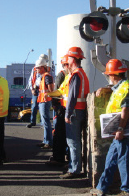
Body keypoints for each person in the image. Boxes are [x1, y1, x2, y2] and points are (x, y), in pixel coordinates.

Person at [90, 59, 129, 196]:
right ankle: (102, 188)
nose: (108, 77)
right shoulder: (121, 87)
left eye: (109, 74)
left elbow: (126, 109)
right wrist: (104, 88)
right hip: (118, 130)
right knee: (111, 159)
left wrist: (120, 129)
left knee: (123, 161)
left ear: (114, 75)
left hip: (123, 131)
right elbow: (114, 89)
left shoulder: (126, 88)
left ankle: (126, 190)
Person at [57, 47, 89, 179]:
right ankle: (74, 166)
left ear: (73, 59)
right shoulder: (81, 73)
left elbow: (72, 96)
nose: (67, 59)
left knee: (72, 141)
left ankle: (74, 169)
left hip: (75, 111)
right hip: (79, 110)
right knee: (75, 141)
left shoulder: (76, 74)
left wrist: (68, 113)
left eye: (69, 57)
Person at [48, 55, 69, 165]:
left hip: (64, 108)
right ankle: (58, 156)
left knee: (61, 133)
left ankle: (59, 157)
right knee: (60, 133)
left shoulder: (67, 75)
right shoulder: (63, 75)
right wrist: (55, 106)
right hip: (62, 108)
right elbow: (57, 91)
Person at [35, 58, 54, 149]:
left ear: (42, 67)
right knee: (44, 122)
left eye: (38, 68)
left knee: (46, 122)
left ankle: (48, 142)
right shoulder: (44, 76)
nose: (36, 70)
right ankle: (46, 140)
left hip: (45, 101)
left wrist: (48, 95)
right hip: (43, 101)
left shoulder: (46, 76)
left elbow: (51, 90)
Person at [26, 55, 46, 128]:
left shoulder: (48, 69)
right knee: (34, 106)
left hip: (43, 90)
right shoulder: (34, 69)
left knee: (42, 107)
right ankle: (32, 121)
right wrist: (32, 89)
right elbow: (30, 80)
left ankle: (42, 123)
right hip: (36, 89)